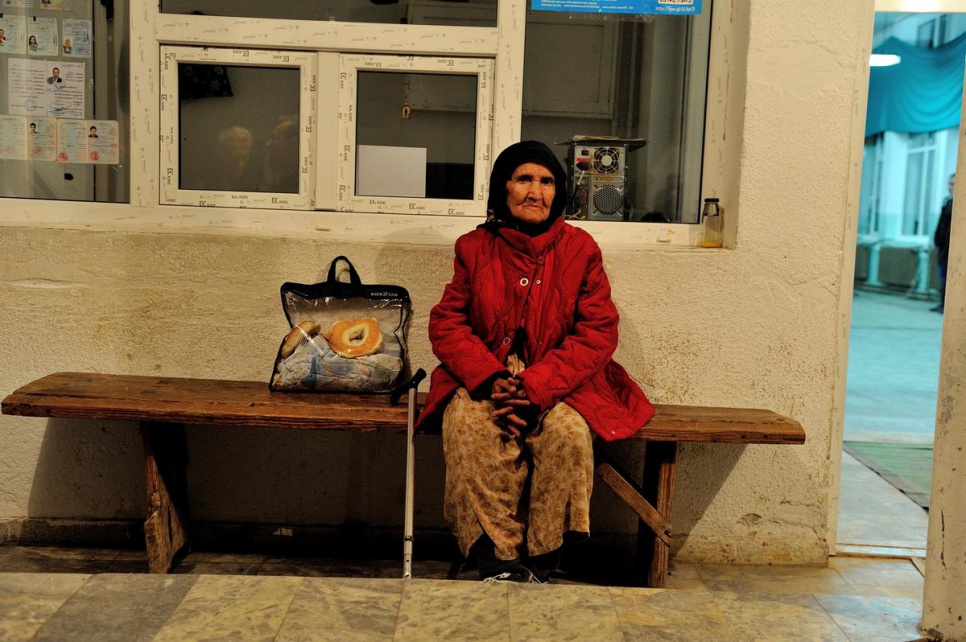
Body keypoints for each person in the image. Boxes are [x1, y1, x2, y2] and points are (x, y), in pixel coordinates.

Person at [416, 140, 654, 583]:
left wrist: (535, 385)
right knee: (468, 426)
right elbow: (447, 323)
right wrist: (489, 378)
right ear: (502, 188)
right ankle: (495, 555)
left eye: (546, 182)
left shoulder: (580, 249)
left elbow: (598, 332)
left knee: (567, 432)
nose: (535, 191)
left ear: (558, 192)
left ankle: (547, 554)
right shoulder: (474, 247)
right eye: (523, 179)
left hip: (562, 380)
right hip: (486, 376)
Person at [932, 173, 955, 313]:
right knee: (942, 277)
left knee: (948, 277)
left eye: (952, 184)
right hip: (942, 247)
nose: (949, 187)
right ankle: (942, 304)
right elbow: (941, 226)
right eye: (949, 184)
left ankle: (947, 306)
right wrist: (937, 241)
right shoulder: (947, 201)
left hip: (949, 249)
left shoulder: (958, 204)